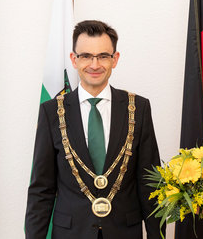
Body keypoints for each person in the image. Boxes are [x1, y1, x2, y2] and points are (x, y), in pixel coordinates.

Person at [25, 20, 164, 239]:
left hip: (124, 232)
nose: (95, 64)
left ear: (115, 59)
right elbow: (41, 189)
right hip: (70, 233)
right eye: (86, 56)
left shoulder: (138, 108)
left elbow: (150, 184)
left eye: (103, 56)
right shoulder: (51, 112)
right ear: (74, 59)